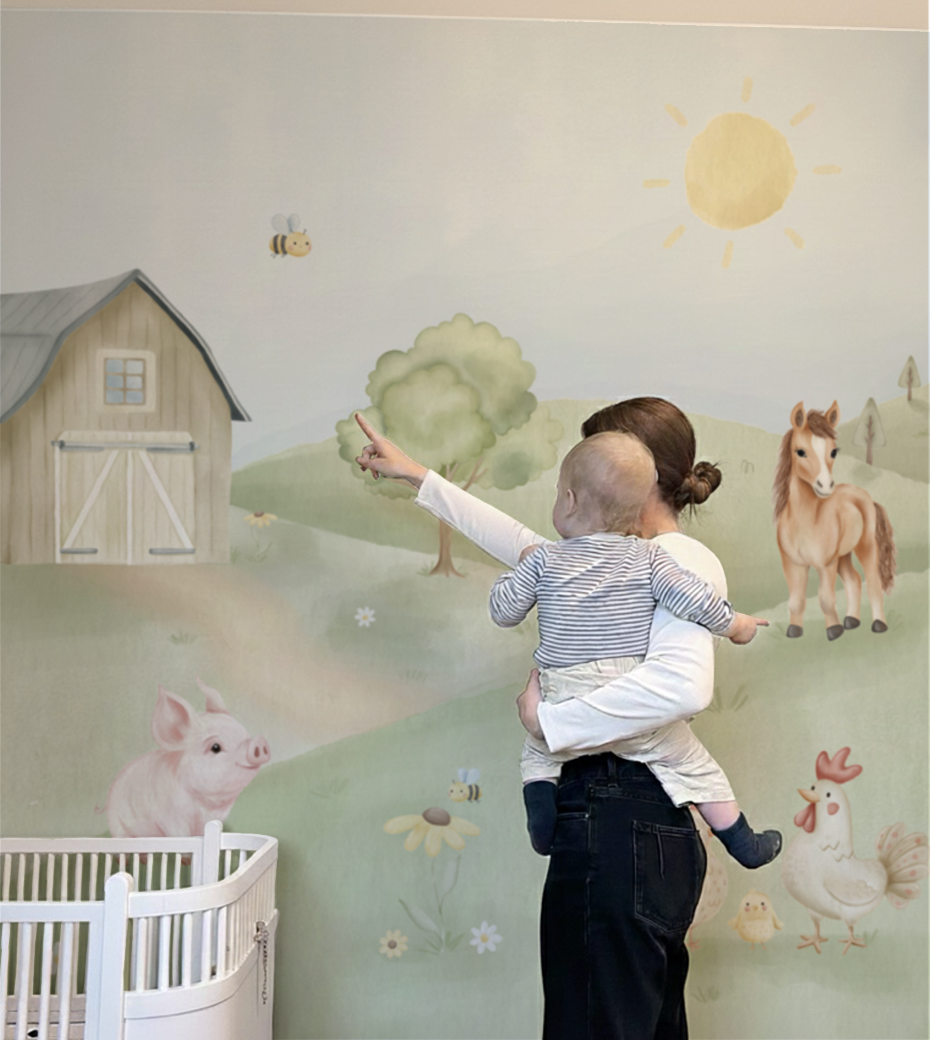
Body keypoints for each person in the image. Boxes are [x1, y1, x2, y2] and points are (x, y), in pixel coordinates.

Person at [354, 399, 766, 1039]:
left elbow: (683, 686)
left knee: (593, 1023)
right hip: (625, 820)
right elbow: (519, 543)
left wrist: (553, 724)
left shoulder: (675, 559)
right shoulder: (609, 558)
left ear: (634, 477)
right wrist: (417, 476)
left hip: (620, 814)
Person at [490, 430, 780, 869]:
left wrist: (519, 572)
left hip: (559, 692)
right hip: (624, 692)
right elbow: (697, 602)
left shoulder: (544, 560)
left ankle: (544, 828)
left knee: (538, 753)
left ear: (568, 500)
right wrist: (737, 625)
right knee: (693, 764)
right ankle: (744, 843)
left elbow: (503, 611)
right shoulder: (650, 558)